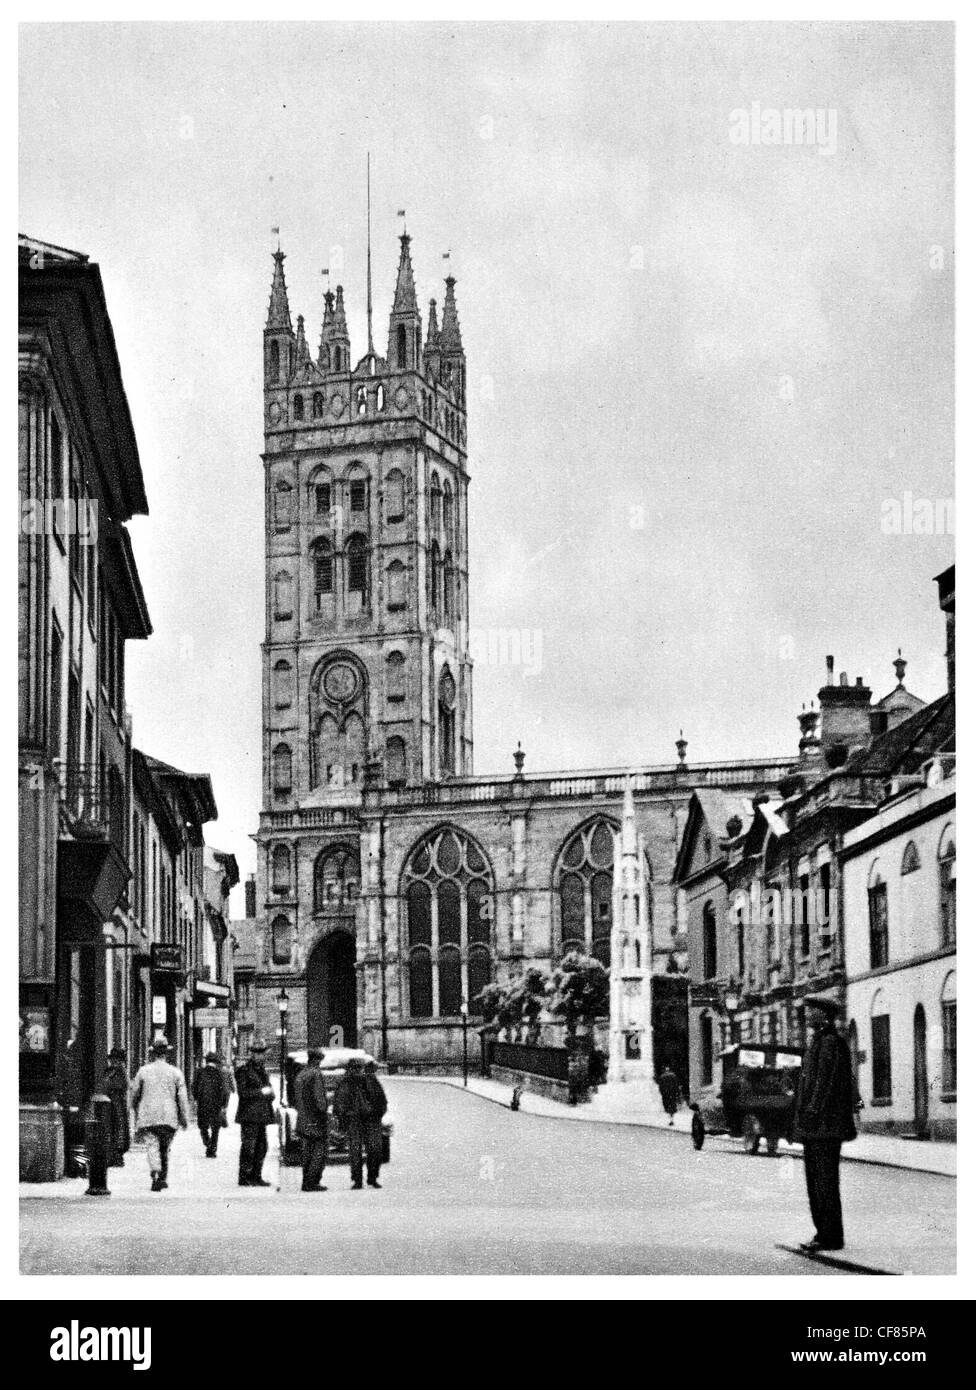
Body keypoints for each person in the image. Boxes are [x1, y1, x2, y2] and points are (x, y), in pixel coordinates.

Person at [793, 993, 858, 1253]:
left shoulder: (830, 1042)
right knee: (816, 1182)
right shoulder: (820, 1040)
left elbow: (824, 1082)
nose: (807, 1014)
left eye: (811, 1011)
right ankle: (823, 1233)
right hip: (817, 1126)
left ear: (823, 1014)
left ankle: (830, 1236)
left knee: (824, 1183)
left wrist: (812, 1110)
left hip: (824, 1126)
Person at [130, 1038, 190, 1192]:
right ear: (166, 1054)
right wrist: (184, 1117)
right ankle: (163, 1176)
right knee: (165, 1147)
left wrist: (133, 1108)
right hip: (169, 1116)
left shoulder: (143, 1071)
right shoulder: (175, 1072)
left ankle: (156, 1172)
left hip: (148, 1115)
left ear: (152, 1054)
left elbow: (135, 1093)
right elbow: (182, 1098)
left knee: (152, 1145)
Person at [333, 1058, 386, 1190]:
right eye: (355, 1068)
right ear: (350, 1069)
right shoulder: (345, 1083)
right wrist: (345, 1117)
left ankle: (372, 1177)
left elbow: (381, 1100)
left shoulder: (371, 1081)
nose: (357, 1071)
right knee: (355, 1152)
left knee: (375, 1150)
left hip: (371, 1120)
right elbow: (339, 1103)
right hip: (354, 1121)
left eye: (359, 1068)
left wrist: (377, 1113)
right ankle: (357, 1179)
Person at [235, 1039, 276, 1187]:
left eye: (262, 1053)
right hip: (249, 1114)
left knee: (262, 1147)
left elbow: (271, 1093)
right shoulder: (244, 1071)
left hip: (262, 1115)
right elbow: (243, 1092)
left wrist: (269, 1093)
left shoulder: (263, 1071)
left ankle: (256, 1176)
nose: (260, 1056)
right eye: (257, 1053)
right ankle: (245, 1176)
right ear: (252, 1054)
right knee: (249, 1146)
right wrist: (261, 1092)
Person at [293, 1048, 330, 1192]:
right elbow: (319, 1099)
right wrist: (324, 1112)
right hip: (315, 1119)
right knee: (319, 1152)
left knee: (307, 1152)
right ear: (317, 1060)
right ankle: (312, 1182)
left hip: (303, 1119)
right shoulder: (315, 1074)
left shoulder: (301, 1074)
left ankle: (305, 1182)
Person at [193, 1051, 230, 1158]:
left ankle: (207, 1141)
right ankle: (212, 1150)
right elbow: (225, 1090)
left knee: (203, 1126)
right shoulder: (220, 1073)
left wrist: (196, 1099)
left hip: (203, 1103)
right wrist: (224, 1105)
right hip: (216, 1104)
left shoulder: (200, 1072)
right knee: (215, 1128)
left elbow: (194, 1086)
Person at [101, 1046, 131, 1167]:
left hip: (118, 1104)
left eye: (116, 1060)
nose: (113, 1062)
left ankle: (117, 1155)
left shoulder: (121, 1072)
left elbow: (123, 1086)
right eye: (112, 1060)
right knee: (111, 1128)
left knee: (119, 1129)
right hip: (109, 1104)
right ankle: (111, 1155)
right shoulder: (108, 1071)